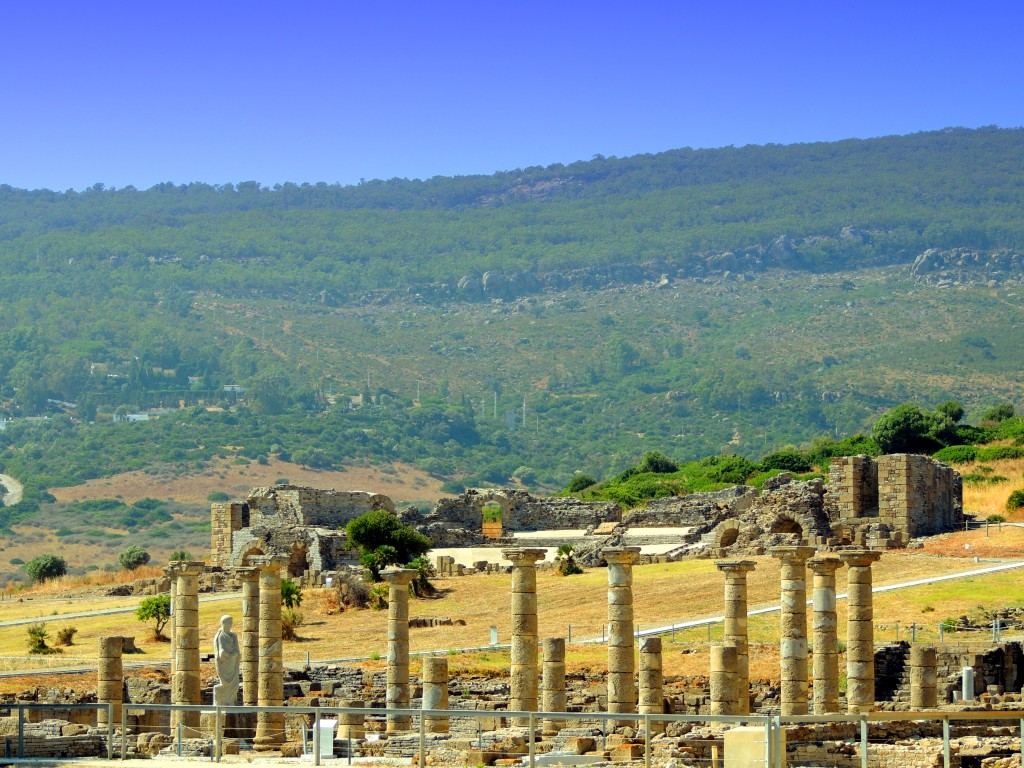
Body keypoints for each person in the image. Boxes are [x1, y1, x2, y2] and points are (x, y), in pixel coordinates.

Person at [213, 614, 240, 706]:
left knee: (234, 683)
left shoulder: (233, 635)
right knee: (224, 683)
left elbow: (237, 650)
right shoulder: (219, 636)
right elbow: (218, 650)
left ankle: (230, 701)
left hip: (232, 662)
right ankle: (222, 701)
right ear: (223, 623)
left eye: (231, 622)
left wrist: (235, 654)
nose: (231, 624)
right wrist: (222, 653)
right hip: (224, 663)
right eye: (229, 622)